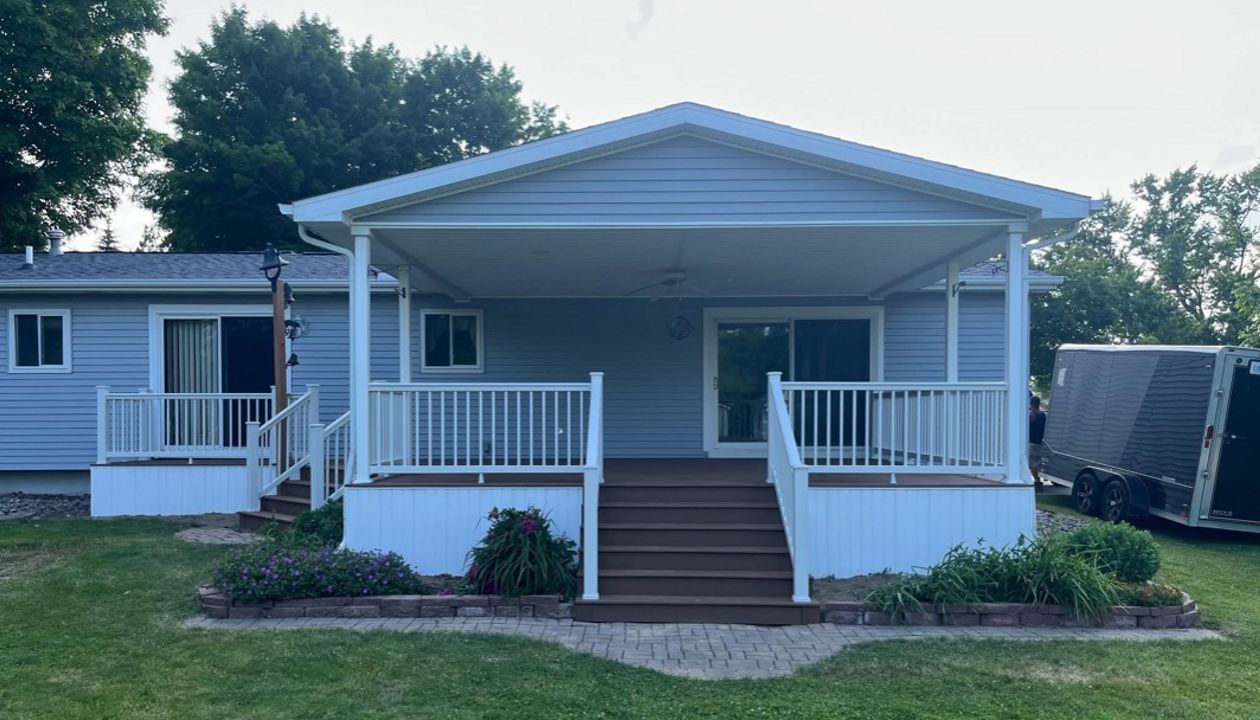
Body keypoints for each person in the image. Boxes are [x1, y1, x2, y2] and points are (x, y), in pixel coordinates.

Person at [1028, 395, 1047, 486]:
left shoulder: (1031, 415)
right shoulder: (1044, 415)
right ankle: (1042, 477)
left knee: (1033, 463)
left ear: (1032, 404)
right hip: (1041, 442)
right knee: (1040, 462)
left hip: (1032, 442)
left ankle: (1037, 481)